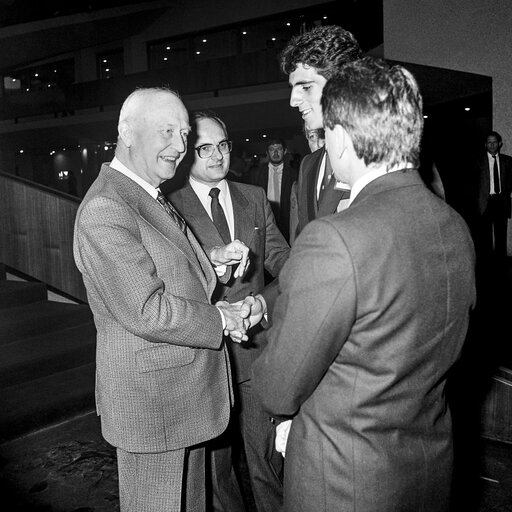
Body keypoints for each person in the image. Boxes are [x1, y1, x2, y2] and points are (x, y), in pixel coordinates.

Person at [251, 58, 476, 512]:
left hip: (346, 482)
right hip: (427, 466)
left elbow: (277, 387)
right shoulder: (453, 225)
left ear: (338, 136)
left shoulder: (337, 237)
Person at [73, 87, 253, 512]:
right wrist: (221, 318)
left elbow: (162, 264)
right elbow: (146, 309)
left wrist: (213, 262)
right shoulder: (106, 207)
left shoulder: (144, 193)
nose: (180, 146)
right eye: (167, 132)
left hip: (180, 401)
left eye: (185, 133)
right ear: (127, 133)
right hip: (154, 409)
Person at [170, 111, 290, 512]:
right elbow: (170, 280)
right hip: (206, 357)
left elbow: (285, 265)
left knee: (267, 463)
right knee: (217, 474)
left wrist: (264, 304)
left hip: (256, 353)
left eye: (223, 145)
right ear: (188, 152)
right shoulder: (170, 206)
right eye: (206, 147)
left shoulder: (254, 197)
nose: (217, 155)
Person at [282, 25, 362, 244]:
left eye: (305, 87)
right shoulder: (309, 165)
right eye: (292, 88)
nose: (293, 100)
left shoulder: (389, 159)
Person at [249, 138, 298, 243]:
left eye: (279, 149)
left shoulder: (295, 175)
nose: (275, 153)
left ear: (284, 151)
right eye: (272, 149)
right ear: (267, 153)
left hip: (287, 224)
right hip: (265, 223)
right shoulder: (256, 174)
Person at [473, 130, 512, 262]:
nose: (492, 145)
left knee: (501, 234)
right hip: (485, 201)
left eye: (494, 142)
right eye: (489, 143)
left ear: (499, 144)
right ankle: (487, 262)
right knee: (485, 235)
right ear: (485, 144)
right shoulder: (478, 161)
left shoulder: (508, 161)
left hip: (501, 201)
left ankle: (500, 262)